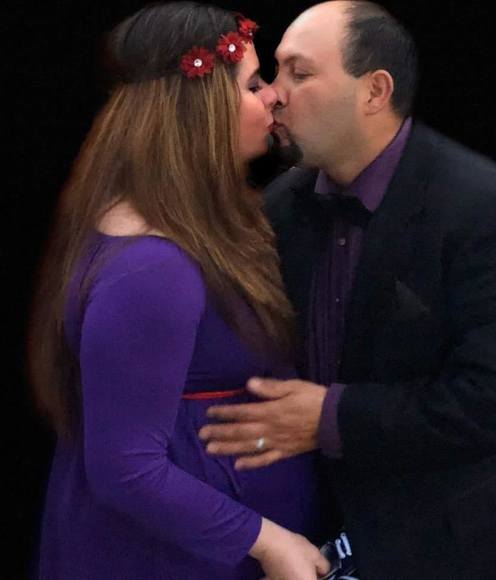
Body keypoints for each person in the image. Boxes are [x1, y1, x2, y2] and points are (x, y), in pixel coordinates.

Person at [199, 1, 496, 578]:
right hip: (332, 539)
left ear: (374, 91)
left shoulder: (484, 207)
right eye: (275, 72)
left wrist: (331, 417)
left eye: (299, 73)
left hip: (470, 547)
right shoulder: (280, 207)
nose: (273, 94)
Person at [27, 3, 331, 579]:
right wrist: (270, 542)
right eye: (253, 85)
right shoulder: (152, 267)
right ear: (201, 112)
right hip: (169, 561)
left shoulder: (194, 225)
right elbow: (125, 468)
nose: (273, 97)